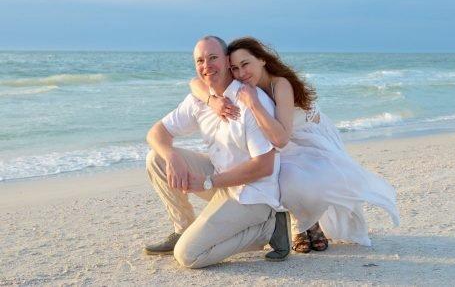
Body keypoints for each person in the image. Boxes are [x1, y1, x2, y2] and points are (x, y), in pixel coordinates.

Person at [189, 37, 400, 253]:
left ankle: (307, 223)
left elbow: (281, 138)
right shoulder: (245, 83)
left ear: (262, 60)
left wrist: (253, 103)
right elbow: (195, 83)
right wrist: (212, 101)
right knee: (283, 178)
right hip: (281, 138)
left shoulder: (280, 84)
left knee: (308, 183)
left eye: (246, 64)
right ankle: (300, 226)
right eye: (234, 68)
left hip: (309, 137)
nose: (241, 73)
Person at [144, 36, 291, 269]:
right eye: (200, 60)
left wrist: (208, 182)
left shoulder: (251, 101)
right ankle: (182, 229)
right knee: (157, 158)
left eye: (213, 58)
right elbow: (155, 133)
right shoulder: (200, 100)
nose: (206, 65)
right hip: (221, 180)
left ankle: (268, 227)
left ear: (226, 60)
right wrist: (171, 156)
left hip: (252, 194)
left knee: (188, 256)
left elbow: (265, 166)